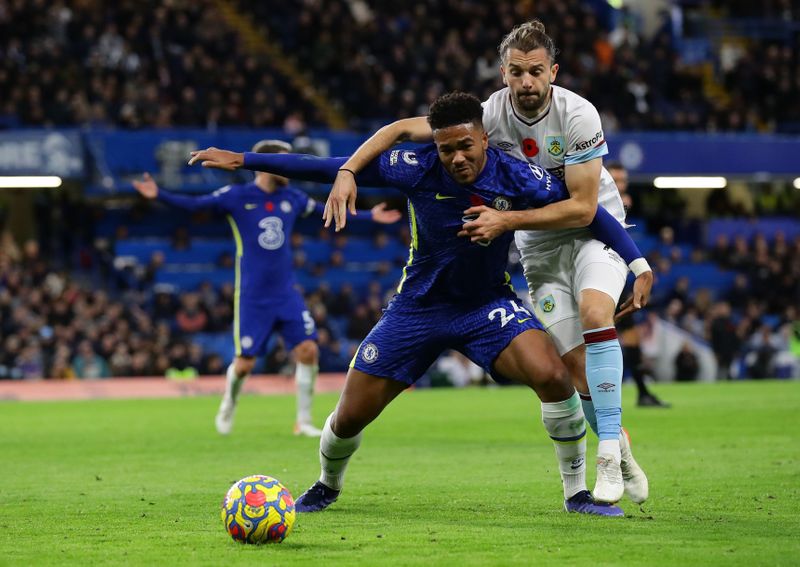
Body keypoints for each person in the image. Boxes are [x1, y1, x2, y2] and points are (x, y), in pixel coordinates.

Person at [189, 92, 651, 515]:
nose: (456, 157)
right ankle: (328, 483)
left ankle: (576, 493)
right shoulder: (413, 164)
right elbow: (325, 163)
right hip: (418, 308)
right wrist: (246, 161)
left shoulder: (516, 174)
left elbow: (590, 214)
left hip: (486, 306)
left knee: (552, 375)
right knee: (349, 416)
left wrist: (636, 263)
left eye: (466, 146)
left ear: (485, 137)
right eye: (446, 148)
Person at [315, 20, 652, 505]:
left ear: (552, 72)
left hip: (588, 232)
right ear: (503, 73)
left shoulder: (578, 114)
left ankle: (596, 467)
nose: (526, 82)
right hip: (528, 248)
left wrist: (636, 263)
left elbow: (584, 209)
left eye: (536, 71)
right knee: (575, 369)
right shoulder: (485, 118)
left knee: (594, 321)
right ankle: (620, 450)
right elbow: (396, 130)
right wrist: (346, 169)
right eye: (517, 72)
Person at [133, 140, 402, 437]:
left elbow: (327, 211)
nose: (288, 168)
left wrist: (369, 217)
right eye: (283, 161)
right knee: (244, 364)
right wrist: (158, 194)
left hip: (286, 292)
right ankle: (229, 402)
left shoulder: (293, 198)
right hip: (253, 296)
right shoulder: (237, 196)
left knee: (309, 350)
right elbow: (195, 206)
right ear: (267, 163)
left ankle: (303, 421)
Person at [607, 161, 670, 407]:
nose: (620, 185)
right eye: (615, 180)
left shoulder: (623, 205)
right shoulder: (596, 200)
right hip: (595, 274)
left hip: (618, 275)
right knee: (596, 336)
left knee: (631, 337)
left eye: (623, 181)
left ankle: (642, 391)